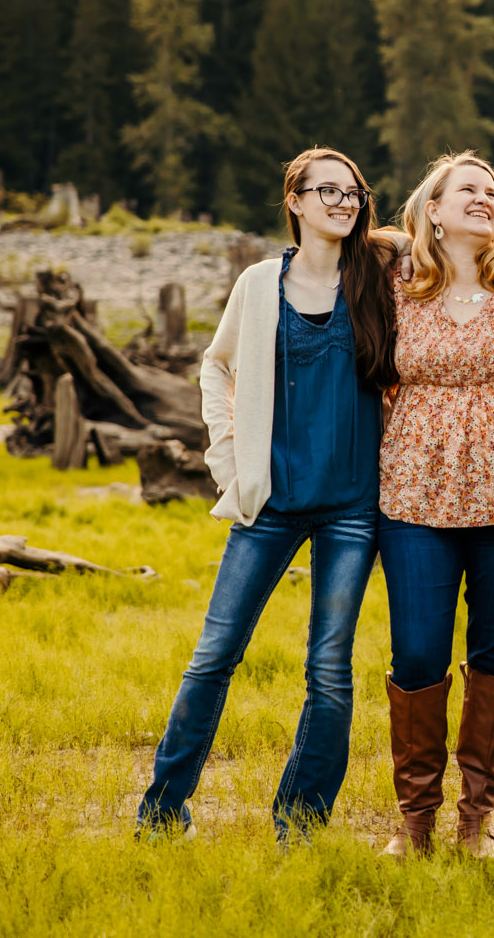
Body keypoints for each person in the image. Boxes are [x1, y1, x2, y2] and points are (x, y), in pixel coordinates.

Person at [136, 146, 399, 843]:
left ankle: (301, 822)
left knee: (330, 669)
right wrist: (227, 462)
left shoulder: (378, 276)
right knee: (214, 656)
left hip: (352, 506)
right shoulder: (259, 283)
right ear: (295, 200)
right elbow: (215, 366)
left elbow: (440, 241)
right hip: (268, 502)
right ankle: (163, 811)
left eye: (353, 193)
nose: (343, 202)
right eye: (328, 191)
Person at [378, 152, 494, 858]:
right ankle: (416, 822)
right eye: (465, 189)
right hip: (413, 492)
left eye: (493, 190)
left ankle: (478, 821)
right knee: (417, 654)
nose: (484, 196)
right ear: (433, 212)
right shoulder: (395, 285)